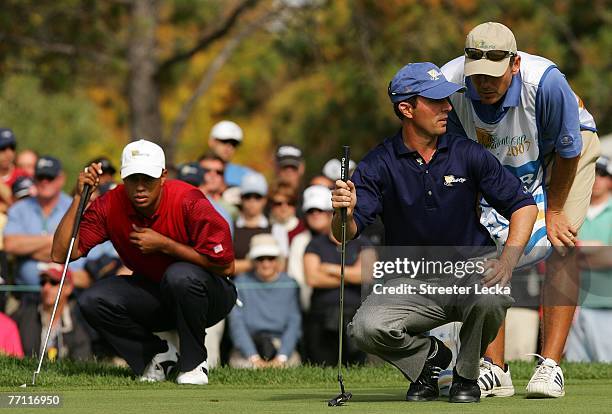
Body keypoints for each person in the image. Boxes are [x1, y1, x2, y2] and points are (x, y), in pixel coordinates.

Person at [332, 62, 537, 403]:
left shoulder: (467, 152)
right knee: (365, 328)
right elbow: (344, 233)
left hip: (471, 271)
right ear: (406, 108)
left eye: (447, 99)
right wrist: (343, 211)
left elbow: (524, 205)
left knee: (493, 294)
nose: (447, 107)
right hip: (411, 280)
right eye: (436, 101)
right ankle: (429, 361)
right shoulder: (377, 164)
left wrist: (509, 259)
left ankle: (467, 376)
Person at [441, 21, 601, 398]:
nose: (484, 83)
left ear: (514, 64)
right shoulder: (449, 88)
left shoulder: (546, 83)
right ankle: (495, 368)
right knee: (483, 243)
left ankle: (550, 367)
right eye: (477, 74)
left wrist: (556, 210)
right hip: (500, 163)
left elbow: (568, 150)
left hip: (563, 155)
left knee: (561, 242)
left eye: (494, 73)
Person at [51, 139, 236, 385]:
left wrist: (166, 245)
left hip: (211, 296)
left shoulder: (189, 200)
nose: (139, 187)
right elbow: (61, 254)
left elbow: (226, 266)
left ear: (163, 176)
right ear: (123, 178)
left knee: (179, 275)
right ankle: (158, 356)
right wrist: (78, 198)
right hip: (159, 293)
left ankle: (193, 365)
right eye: (132, 178)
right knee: (92, 300)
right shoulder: (111, 204)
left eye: (147, 179)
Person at [4, 156, 87, 292]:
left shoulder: (75, 207)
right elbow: (10, 244)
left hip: (68, 294)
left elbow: (81, 248)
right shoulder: (18, 209)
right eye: (40, 177)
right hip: (27, 296)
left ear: (61, 178)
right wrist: (53, 240)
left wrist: (29, 251)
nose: (44, 182)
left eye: (50, 177)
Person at [228, 234, 301, 368]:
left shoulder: (290, 284)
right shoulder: (239, 283)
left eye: (271, 258)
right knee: (242, 367)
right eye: (260, 258)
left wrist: (281, 357)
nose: (266, 263)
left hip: (280, 344)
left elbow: (294, 321)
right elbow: (237, 323)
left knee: (291, 366)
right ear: (253, 261)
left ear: (277, 260)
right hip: (248, 346)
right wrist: (253, 357)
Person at [565, 156, 612, 362]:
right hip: (573, 304)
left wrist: (578, 250)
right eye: (592, 173)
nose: (597, 179)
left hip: (606, 305)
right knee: (575, 367)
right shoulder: (572, 210)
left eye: (602, 174)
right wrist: (597, 249)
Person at [10, 263, 92, 360]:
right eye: (43, 282)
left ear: (68, 288)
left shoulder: (78, 324)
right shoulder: (22, 316)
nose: (46, 288)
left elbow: (82, 362)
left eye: (53, 282)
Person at [207, 120, 254, 188]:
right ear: (211, 142)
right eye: (224, 141)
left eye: (234, 144)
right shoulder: (192, 171)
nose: (229, 147)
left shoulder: (246, 176)